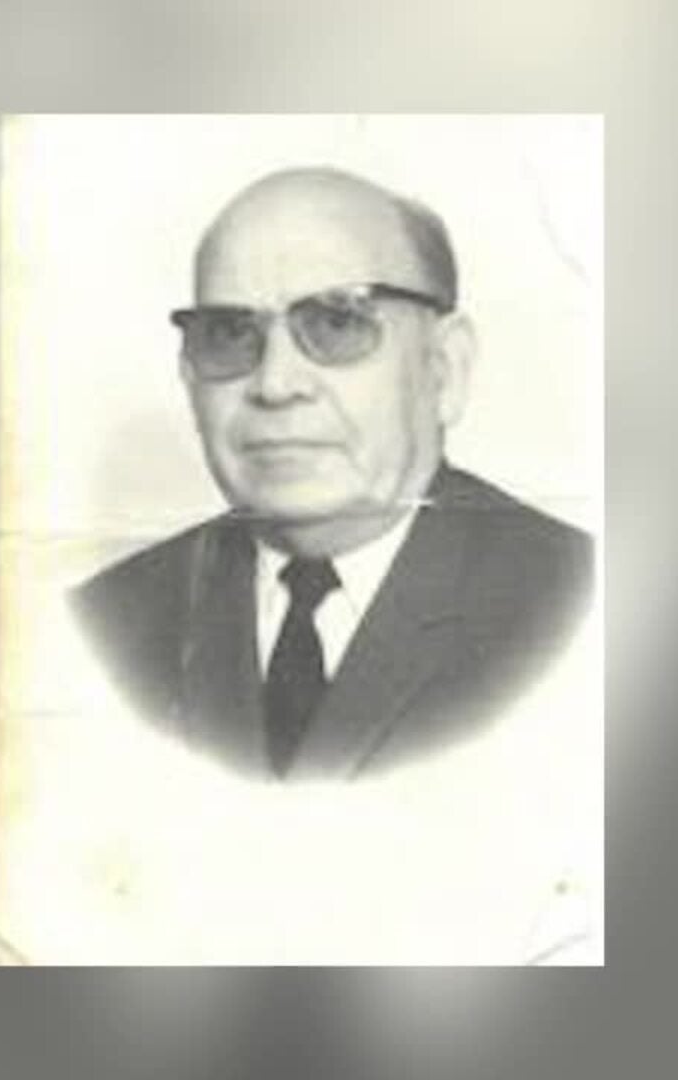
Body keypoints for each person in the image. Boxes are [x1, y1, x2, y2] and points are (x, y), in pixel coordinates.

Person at [71, 166, 593, 781]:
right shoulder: (105, 625)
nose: (275, 384)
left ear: (444, 369)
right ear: (189, 377)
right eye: (230, 333)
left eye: (338, 322)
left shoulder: (581, 608)